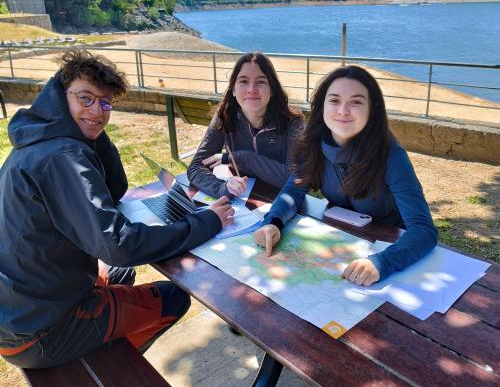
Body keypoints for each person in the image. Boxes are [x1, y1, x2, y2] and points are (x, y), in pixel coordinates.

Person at [0, 49, 234, 369]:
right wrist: (206, 222)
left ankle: (102, 336)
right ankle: (111, 362)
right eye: (86, 98)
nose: (98, 110)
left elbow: (115, 190)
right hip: (40, 332)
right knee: (174, 298)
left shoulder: (42, 139)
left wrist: (91, 126)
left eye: (106, 102)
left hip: (22, 305)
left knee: (122, 274)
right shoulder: (63, 156)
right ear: (57, 96)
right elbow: (118, 246)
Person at [254, 65, 438, 286]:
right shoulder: (311, 144)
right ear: (322, 106)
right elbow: (293, 190)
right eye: (334, 100)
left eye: (356, 101)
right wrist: (273, 222)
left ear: (373, 109)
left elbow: (423, 229)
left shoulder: (392, 157)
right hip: (339, 245)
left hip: (389, 250)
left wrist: (383, 263)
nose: (343, 110)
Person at [187, 52, 304, 198]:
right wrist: (223, 188)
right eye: (243, 81)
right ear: (233, 89)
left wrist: (241, 158)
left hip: (281, 202)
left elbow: (296, 179)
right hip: (243, 201)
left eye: (261, 82)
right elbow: (196, 167)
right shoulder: (224, 117)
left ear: (272, 89)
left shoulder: (292, 123)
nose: (251, 89)